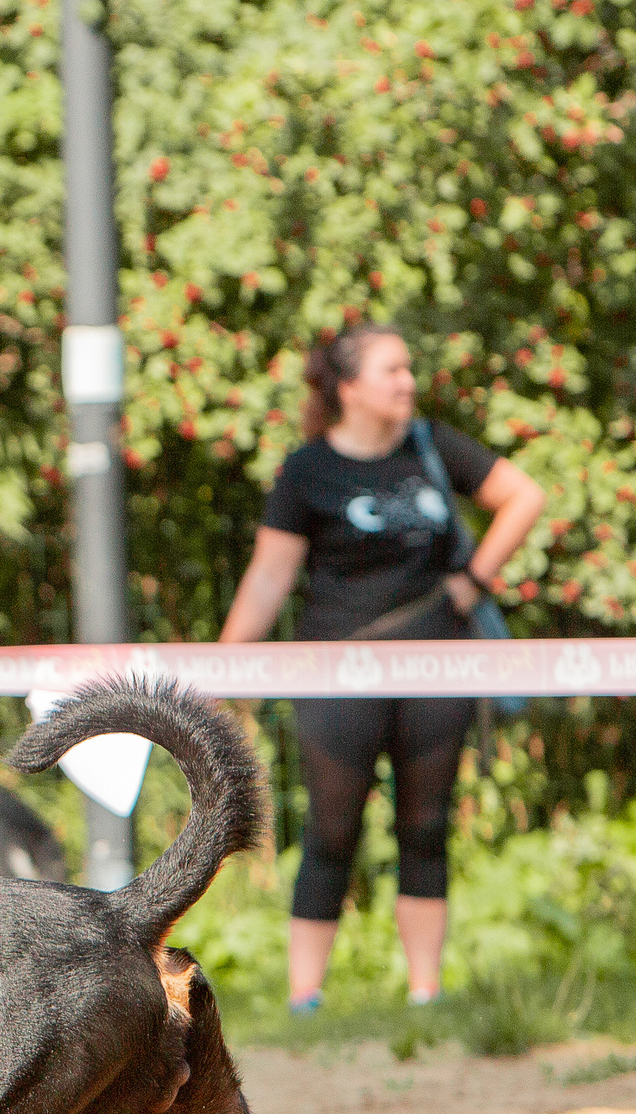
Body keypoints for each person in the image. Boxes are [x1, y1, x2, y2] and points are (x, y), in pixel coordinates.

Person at [217, 322, 546, 1010]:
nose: (407, 382)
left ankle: (426, 991)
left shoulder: (432, 444)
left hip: (437, 668)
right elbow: (269, 578)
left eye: (408, 369)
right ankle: (305, 995)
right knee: (332, 827)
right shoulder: (307, 469)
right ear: (348, 388)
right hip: (336, 671)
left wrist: (475, 579)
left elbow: (525, 496)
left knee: (425, 823)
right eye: (392, 370)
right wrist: (223, 672)